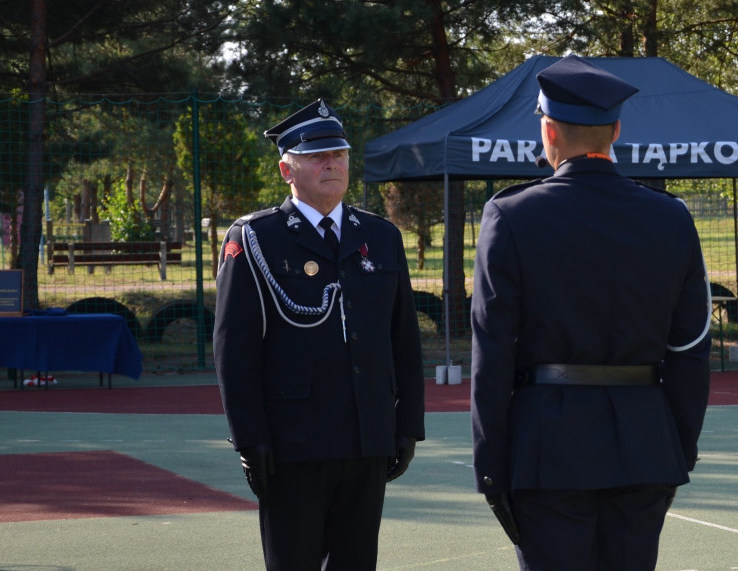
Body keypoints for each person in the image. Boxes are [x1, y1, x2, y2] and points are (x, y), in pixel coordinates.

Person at [470, 55, 711, 571]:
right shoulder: (671, 217)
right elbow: (690, 351)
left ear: (548, 130)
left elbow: (492, 354)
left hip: (547, 452)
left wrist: (491, 464)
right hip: (647, 446)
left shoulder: (511, 215)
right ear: (616, 130)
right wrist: (677, 448)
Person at [213, 99, 425, 570]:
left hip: (367, 436)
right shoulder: (255, 238)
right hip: (293, 442)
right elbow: (235, 349)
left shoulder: (380, 236)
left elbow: (404, 340)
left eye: (340, 154)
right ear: (287, 169)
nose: (332, 163)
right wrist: (250, 438)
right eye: (317, 156)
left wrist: (407, 425)